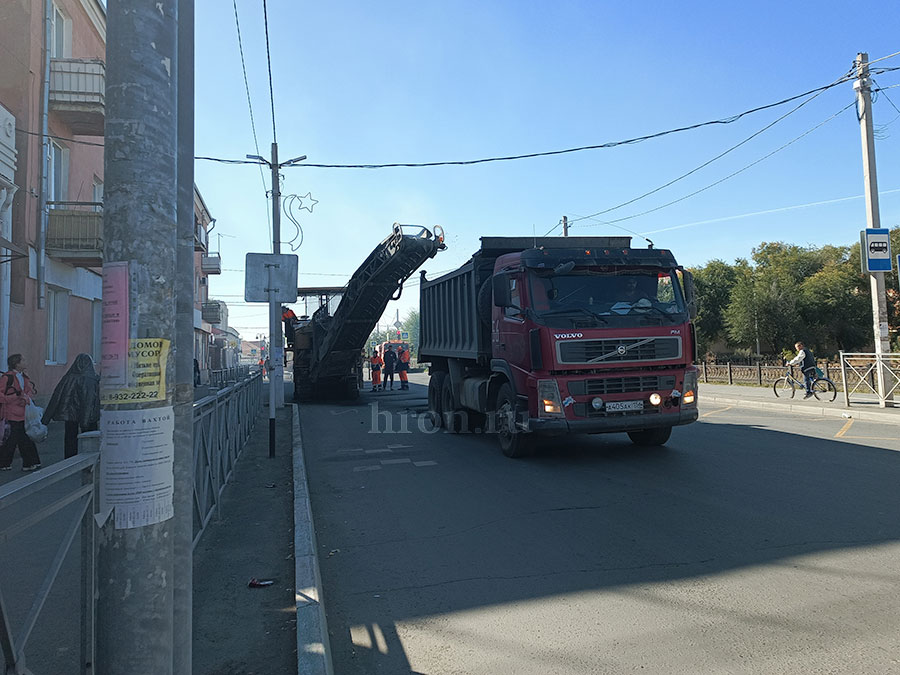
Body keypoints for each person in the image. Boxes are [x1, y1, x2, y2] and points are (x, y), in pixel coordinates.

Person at [41, 353, 100, 458]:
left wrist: (45, 419)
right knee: (90, 439)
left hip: (70, 414)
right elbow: (89, 401)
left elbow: (56, 396)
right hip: (88, 416)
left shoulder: (68, 377)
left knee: (70, 437)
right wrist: (85, 421)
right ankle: (89, 462)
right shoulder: (90, 379)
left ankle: (69, 460)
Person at [0, 354, 42, 471]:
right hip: (11, 413)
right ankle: (28, 462)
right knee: (13, 438)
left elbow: (28, 391)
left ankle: (29, 462)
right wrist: (14, 397)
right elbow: (1, 395)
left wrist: (26, 398)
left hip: (23, 412)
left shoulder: (23, 376)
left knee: (22, 437)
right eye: (23, 360)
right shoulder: (7, 377)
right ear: (16, 363)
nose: (25, 362)